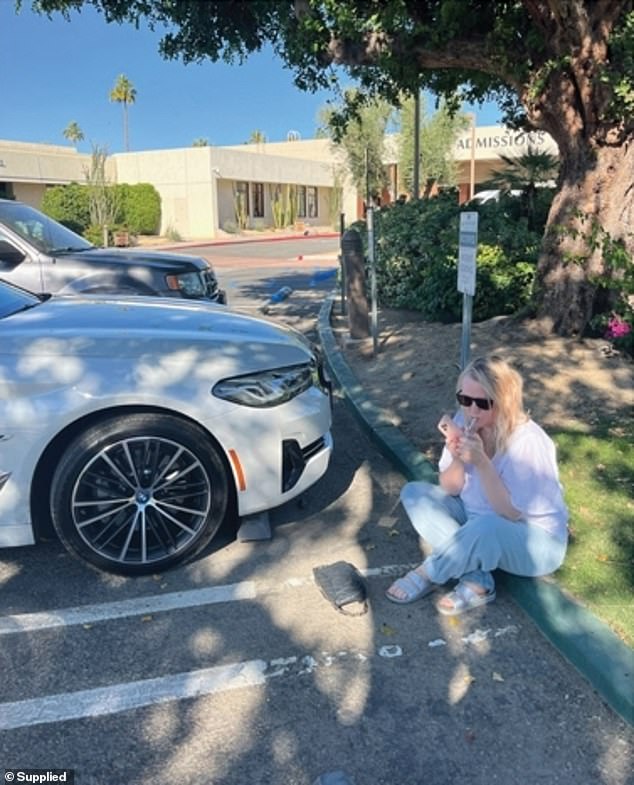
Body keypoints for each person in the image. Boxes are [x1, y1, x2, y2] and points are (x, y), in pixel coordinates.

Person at [386, 354, 569, 615]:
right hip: (478, 521)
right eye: (464, 399)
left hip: (533, 540)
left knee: (486, 526)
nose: (472, 410)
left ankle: (428, 572)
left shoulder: (528, 442)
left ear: (504, 401)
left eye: (483, 403)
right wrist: (459, 458)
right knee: (415, 493)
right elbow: (450, 488)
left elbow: (511, 512)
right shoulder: (465, 421)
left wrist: (483, 463)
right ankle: (478, 580)